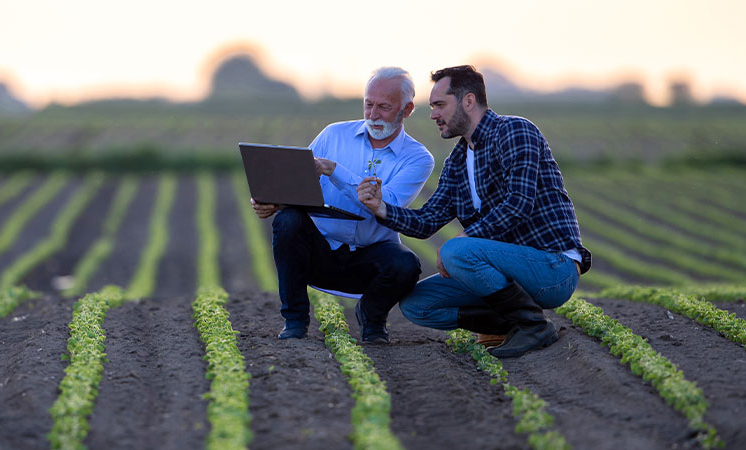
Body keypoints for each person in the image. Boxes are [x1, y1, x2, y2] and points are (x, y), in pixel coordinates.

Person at [357, 65, 590, 358]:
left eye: (440, 105)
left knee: (457, 251)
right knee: (417, 305)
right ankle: (505, 325)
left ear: (468, 101)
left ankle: (533, 326)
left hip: (551, 267)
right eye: (431, 107)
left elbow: (519, 204)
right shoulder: (457, 160)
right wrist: (381, 208)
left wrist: (462, 240)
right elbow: (427, 221)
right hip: (501, 271)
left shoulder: (515, 131)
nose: (433, 115)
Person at [252, 66, 435, 343]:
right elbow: (298, 182)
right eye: (368, 104)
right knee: (288, 220)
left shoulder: (418, 158)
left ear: (407, 109)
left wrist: (335, 170)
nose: (373, 115)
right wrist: (271, 201)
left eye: (384, 107)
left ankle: (372, 320)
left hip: (369, 257)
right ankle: (295, 321)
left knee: (406, 263)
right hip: (320, 252)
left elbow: (389, 205)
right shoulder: (333, 135)